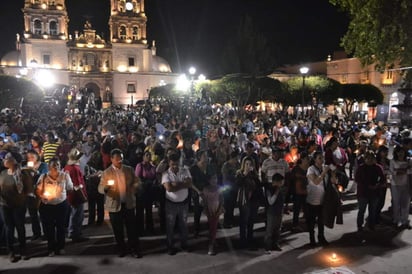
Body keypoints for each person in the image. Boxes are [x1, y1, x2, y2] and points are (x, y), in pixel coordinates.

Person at [98, 148, 141, 258]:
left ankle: (134, 249)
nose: (119, 160)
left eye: (121, 158)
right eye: (117, 158)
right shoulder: (107, 172)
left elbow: (137, 180)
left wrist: (135, 186)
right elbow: (100, 188)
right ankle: (121, 249)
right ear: (111, 159)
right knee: (118, 230)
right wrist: (106, 188)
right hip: (114, 205)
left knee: (132, 229)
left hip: (128, 203)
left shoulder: (129, 169)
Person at [36, 158, 73, 257]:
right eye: (53, 165)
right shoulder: (43, 177)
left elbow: (70, 188)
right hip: (47, 206)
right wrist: (43, 196)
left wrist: (67, 180)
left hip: (61, 205)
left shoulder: (64, 176)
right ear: (49, 167)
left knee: (61, 227)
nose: (56, 167)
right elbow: (38, 190)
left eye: (57, 165)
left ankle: (61, 247)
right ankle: (50, 248)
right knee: (49, 228)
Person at [0, 152, 32, 262]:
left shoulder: (23, 173)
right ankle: (11, 251)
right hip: (5, 205)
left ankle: (23, 250)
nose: (4, 160)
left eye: (6, 158)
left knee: (20, 227)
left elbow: (28, 190)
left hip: (19, 205)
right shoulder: (3, 173)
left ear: (13, 161)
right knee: (8, 228)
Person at [161, 153, 192, 255]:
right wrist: (182, 184)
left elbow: (189, 183)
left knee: (183, 225)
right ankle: (170, 246)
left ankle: (184, 244)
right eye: (172, 164)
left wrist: (175, 184)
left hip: (183, 203)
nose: (174, 166)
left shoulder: (185, 170)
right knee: (170, 226)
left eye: (176, 164)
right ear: (169, 163)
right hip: (171, 204)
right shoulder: (166, 174)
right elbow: (169, 188)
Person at [355, 151, 385, 232]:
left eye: (372, 158)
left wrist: (377, 185)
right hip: (363, 193)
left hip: (375, 193)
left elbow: (383, 179)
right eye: (368, 158)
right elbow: (357, 179)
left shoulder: (378, 167)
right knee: (362, 210)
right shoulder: (361, 168)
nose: (370, 160)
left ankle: (372, 225)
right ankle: (359, 225)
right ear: (365, 159)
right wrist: (368, 186)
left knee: (372, 210)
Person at [236, 156, 262, 249]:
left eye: (250, 164)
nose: (248, 166)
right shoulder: (239, 173)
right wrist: (245, 174)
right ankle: (243, 241)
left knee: (251, 221)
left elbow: (259, 185)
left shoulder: (254, 174)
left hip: (253, 200)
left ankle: (250, 239)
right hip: (244, 200)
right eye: (246, 164)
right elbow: (238, 184)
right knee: (244, 221)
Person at [64, 148, 88, 243]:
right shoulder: (75, 168)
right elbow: (77, 185)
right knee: (77, 215)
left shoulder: (67, 167)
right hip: (77, 195)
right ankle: (75, 234)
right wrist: (83, 197)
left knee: (73, 214)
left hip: (70, 194)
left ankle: (72, 232)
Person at [306, 151, 330, 247]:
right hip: (312, 200)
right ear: (315, 159)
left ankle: (321, 237)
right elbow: (316, 181)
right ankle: (312, 239)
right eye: (320, 158)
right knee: (311, 222)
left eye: (322, 158)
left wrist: (332, 173)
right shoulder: (311, 169)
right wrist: (324, 172)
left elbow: (331, 181)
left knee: (321, 221)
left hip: (322, 199)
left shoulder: (324, 168)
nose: (322, 160)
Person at [389, 146, 411, 229]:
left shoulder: (409, 161)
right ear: (396, 153)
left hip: (406, 184)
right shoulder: (393, 161)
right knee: (396, 203)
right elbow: (392, 172)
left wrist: (399, 171)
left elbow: (410, 171)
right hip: (395, 184)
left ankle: (404, 221)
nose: (400, 153)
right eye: (399, 152)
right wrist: (404, 170)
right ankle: (396, 220)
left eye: (402, 152)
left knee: (405, 203)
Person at [190, 150, 211, 237]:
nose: (206, 157)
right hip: (197, 193)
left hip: (208, 192)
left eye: (206, 156)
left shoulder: (209, 167)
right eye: (204, 156)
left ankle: (210, 229)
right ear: (199, 157)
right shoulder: (194, 169)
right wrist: (198, 191)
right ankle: (196, 230)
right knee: (197, 212)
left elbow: (213, 179)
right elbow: (191, 183)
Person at [135, 151, 157, 235]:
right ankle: (139, 230)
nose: (148, 157)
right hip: (141, 191)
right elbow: (137, 178)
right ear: (143, 157)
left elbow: (155, 177)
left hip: (149, 190)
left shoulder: (152, 166)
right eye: (147, 155)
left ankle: (150, 228)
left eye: (149, 155)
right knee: (140, 211)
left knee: (149, 210)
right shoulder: (140, 165)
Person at [202, 174, 224, 256]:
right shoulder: (206, 189)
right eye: (212, 179)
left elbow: (222, 199)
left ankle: (212, 243)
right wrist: (207, 210)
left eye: (216, 179)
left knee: (213, 226)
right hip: (209, 209)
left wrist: (219, 210)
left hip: (217, 209)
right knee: (212, 227)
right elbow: (204, 201)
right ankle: (212, 243)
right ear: (209, 180)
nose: (214, 181)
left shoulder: (219, 188)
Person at [264, 173, 285, 254]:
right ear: (276, 181)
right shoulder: (269, 189)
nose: (282, 184)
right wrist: (277, 191)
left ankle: (275, 245)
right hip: (271, 213)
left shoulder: (280, 189)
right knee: (270, 230)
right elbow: (271, 201)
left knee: (277, 230)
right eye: (281, 182)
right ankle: (267, 247)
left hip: (279, 212)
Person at [290, 152, 310, 231]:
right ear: (302, 159)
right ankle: (295, 225)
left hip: (306, 192)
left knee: (307, 210)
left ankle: (309, 225)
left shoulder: (309, 169)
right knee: (296, 210)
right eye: (306, 159)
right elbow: (291, 181)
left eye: (308, 159)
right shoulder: (296, 169)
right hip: (297, 193)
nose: (308, 160)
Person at [84, 151, 104, 226]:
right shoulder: (88, 165)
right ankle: (91, 220)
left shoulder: (101, 164)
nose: (97, 159)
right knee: (91, 205)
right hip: (91, 187)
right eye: (96, 157)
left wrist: (102, 174)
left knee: (100, 205)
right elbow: (87, 176)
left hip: (100, 186)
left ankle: (100, 220)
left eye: (98, 157)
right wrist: (96, 174)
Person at [221, 150, 240, 228]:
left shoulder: (237, 164)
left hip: (235, 189)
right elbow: (225, 178)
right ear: (232, 158)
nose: (237, 160)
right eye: (236, 159)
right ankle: (226, 222)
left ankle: (231, 220)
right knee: (227, 206)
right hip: (228, 189)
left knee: (232, 206)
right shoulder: (226, 165)